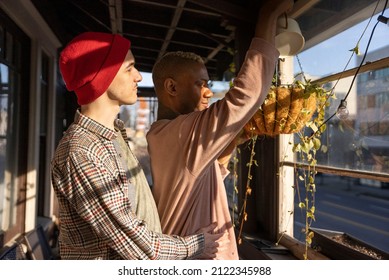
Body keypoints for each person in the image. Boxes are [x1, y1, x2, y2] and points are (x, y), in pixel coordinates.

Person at [51, 31, 225, 260]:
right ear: (103, 75)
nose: (138, 77)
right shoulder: (83, 151)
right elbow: (138, 246)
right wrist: (198, 243)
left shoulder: (112, 137)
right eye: (129, 68)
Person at [147, 0, 294, 260]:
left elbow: (202, 174)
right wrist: (269, 12)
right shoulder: (185, 131)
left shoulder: (161, 134)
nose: (208, 92)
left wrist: (234, 139)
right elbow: (246, 95)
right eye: (199, 84)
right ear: (171, 88)